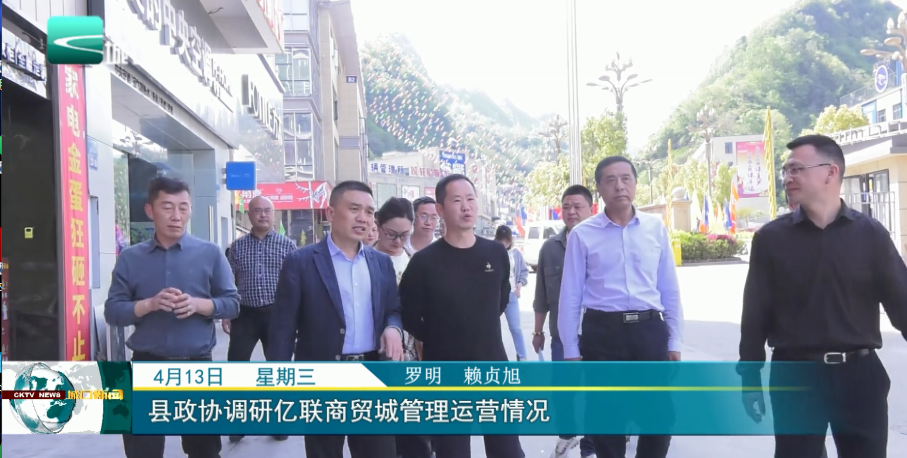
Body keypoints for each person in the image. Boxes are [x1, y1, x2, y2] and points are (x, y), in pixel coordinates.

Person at [739, 134, 907, 458]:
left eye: (797, 169)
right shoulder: (771, 239)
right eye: (786, 171)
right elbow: (755, 316)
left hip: (859, 376)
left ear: (831, 172)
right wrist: (750, 378)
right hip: (795, 378)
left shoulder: (870, 235)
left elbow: (903, 303)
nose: (788, 178)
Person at [105, 177, 240, 458]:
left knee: (204, 451)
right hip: (145, 366)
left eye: (183, 208)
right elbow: (112, 312)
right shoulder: (130, 258)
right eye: (167, 207)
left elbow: (232, 304)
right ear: (150, 210)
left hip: (197, 367)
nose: (176, 216)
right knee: (142, 451)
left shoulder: (210, 253)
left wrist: (199, 305)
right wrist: (148, 305)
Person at [268, 180, 404, 458]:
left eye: (369, 212)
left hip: (371, 374)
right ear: (331, 213)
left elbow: (393, 309)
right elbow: (283, 329)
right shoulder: (301, 261)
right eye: (354, 209)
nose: (363, 218)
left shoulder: (381, 263)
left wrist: (393, 328)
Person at [558, 156, 683, 458]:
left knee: (659, 417)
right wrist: (571, 350)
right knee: (606, 418)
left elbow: (669, 288)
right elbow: (570, 296)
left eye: (626, 178)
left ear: (636, 183)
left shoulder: (655, 229)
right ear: (599, 189)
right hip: (603, 333)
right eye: (611, 180)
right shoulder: (583, 234)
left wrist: (674, 340)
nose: (620, 186)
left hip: (649, 330)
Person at [399, 174, 524, 458]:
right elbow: (409, 313)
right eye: (457, 200)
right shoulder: (424, 262)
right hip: (445, 371)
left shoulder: (495, 252)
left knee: (507, 450)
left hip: (493, 366)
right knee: (451, 450)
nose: (466, 206)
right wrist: (440, 336)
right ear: (440, 209)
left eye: (470, 199)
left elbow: (501, 299)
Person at [223, 196, 296, 443]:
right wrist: (227, 312)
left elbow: (296, 284)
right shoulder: (236, 248)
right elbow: (228, 283)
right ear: (249, 215)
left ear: (273, 214)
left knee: (279, 370)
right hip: (244, 314)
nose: (263, 215)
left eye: (267, 211)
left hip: (277, 315)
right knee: (237, 368)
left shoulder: (288, 246)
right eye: (257, 211)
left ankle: (279, 422)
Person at [533, 184, 597, 458]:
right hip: (562, 334)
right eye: (566, 207)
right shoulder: (550, 248)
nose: (571, 211)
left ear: (591, 209)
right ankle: (567, 435)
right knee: (563, 391)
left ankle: (591, 446)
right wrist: (537, 331)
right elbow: (541, 294)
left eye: (578, 206)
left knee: (595, 391)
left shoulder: (602, 241)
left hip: (598, 333)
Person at [372, 197, 433, 458]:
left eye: (404, 235)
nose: (398, 241)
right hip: (375, 352)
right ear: (378, 225)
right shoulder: (365, 260)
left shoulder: (415, 262)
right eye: (391, 234)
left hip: (413, 354)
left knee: (415, 428)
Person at [494, 225, 529, 361]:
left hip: (511, 294)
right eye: (501, 240)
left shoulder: (515, 254)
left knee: (516, 328)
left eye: (506, 241)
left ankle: (522, 357)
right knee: (493, 328)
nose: (504, 243)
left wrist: (520, 283)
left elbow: (524, 272)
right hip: (495, 296)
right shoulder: (491, 252)